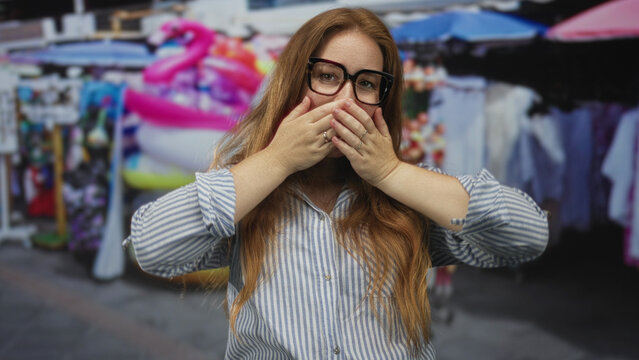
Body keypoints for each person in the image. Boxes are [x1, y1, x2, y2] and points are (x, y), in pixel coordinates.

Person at [124, 7, 549, 359]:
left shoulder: (405, 197)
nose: (345, 100)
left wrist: (390, 173)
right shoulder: (249, 192)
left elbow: (527, 236)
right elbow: (151, 247)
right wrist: (276, 159)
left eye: (366, 84)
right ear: (292, 84)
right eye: (327, 76)